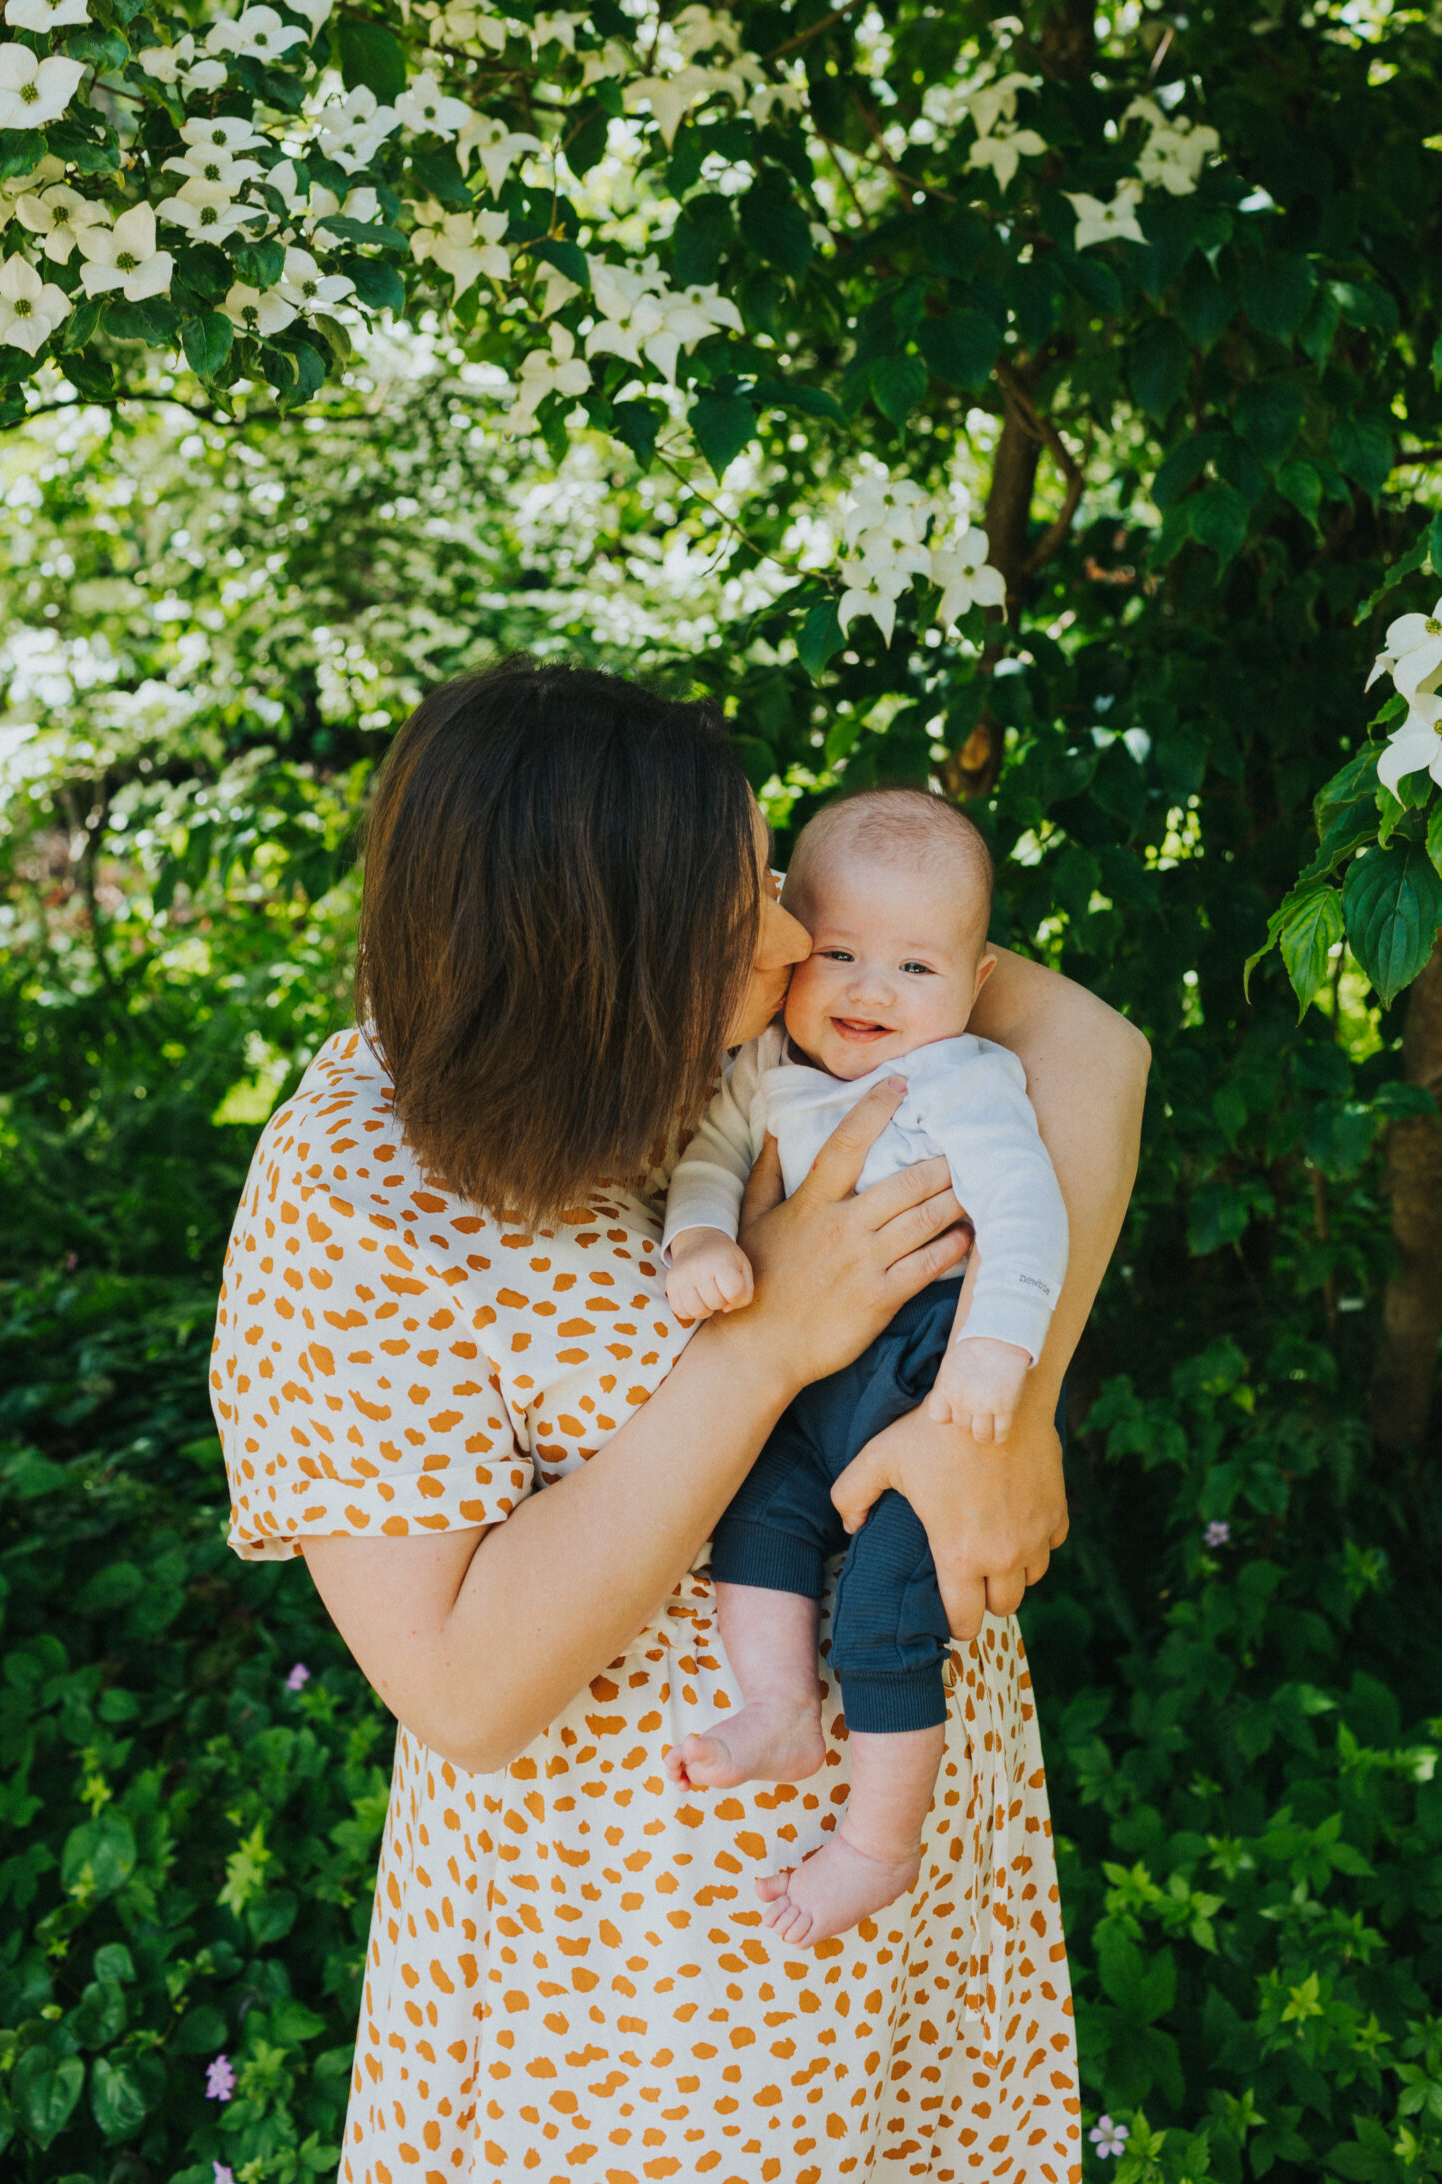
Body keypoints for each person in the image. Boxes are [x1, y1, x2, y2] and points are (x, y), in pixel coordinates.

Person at [209, 658, 1148, 2184]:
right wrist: (764, 1344)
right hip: (641, 1993)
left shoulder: (765, 1033)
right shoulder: (355, 1199)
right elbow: (461, 1686)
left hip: (908, 1901)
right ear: (592, 962)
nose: (792, 944)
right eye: (738, 929)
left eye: (772, 882)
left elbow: (1090, 1047)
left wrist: (998, 1420)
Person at [660, 786, 1070, 1950]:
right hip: (807, 1390)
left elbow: (1027, 1217)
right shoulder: (769, 1067)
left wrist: (994, 1360)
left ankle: (880, 1839)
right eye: (836, 951)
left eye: (913, 969)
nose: (869, 991)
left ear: (977, 979)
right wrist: (701, 1237)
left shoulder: (967, 1079)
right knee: (754, 1511)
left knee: (892, 1602)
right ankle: (780, 1707)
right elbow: (710, 1155)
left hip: (932, 1364)